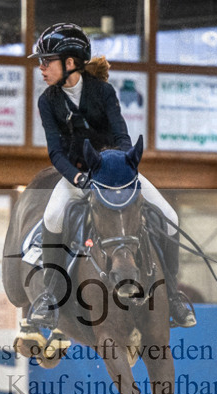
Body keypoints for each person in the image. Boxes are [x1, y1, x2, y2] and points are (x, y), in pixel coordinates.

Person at [28, 22, 196, 330]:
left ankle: (172, 295)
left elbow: (121, 136)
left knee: (170, 216)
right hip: (77, 175)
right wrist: (77, 178)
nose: (41, 68)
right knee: (52, 216)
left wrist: (121, 167)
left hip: (116, 173)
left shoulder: (103, 92)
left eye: (46, 61)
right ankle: (50, 296)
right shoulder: (47, 101)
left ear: (69, 62)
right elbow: (56, 152)